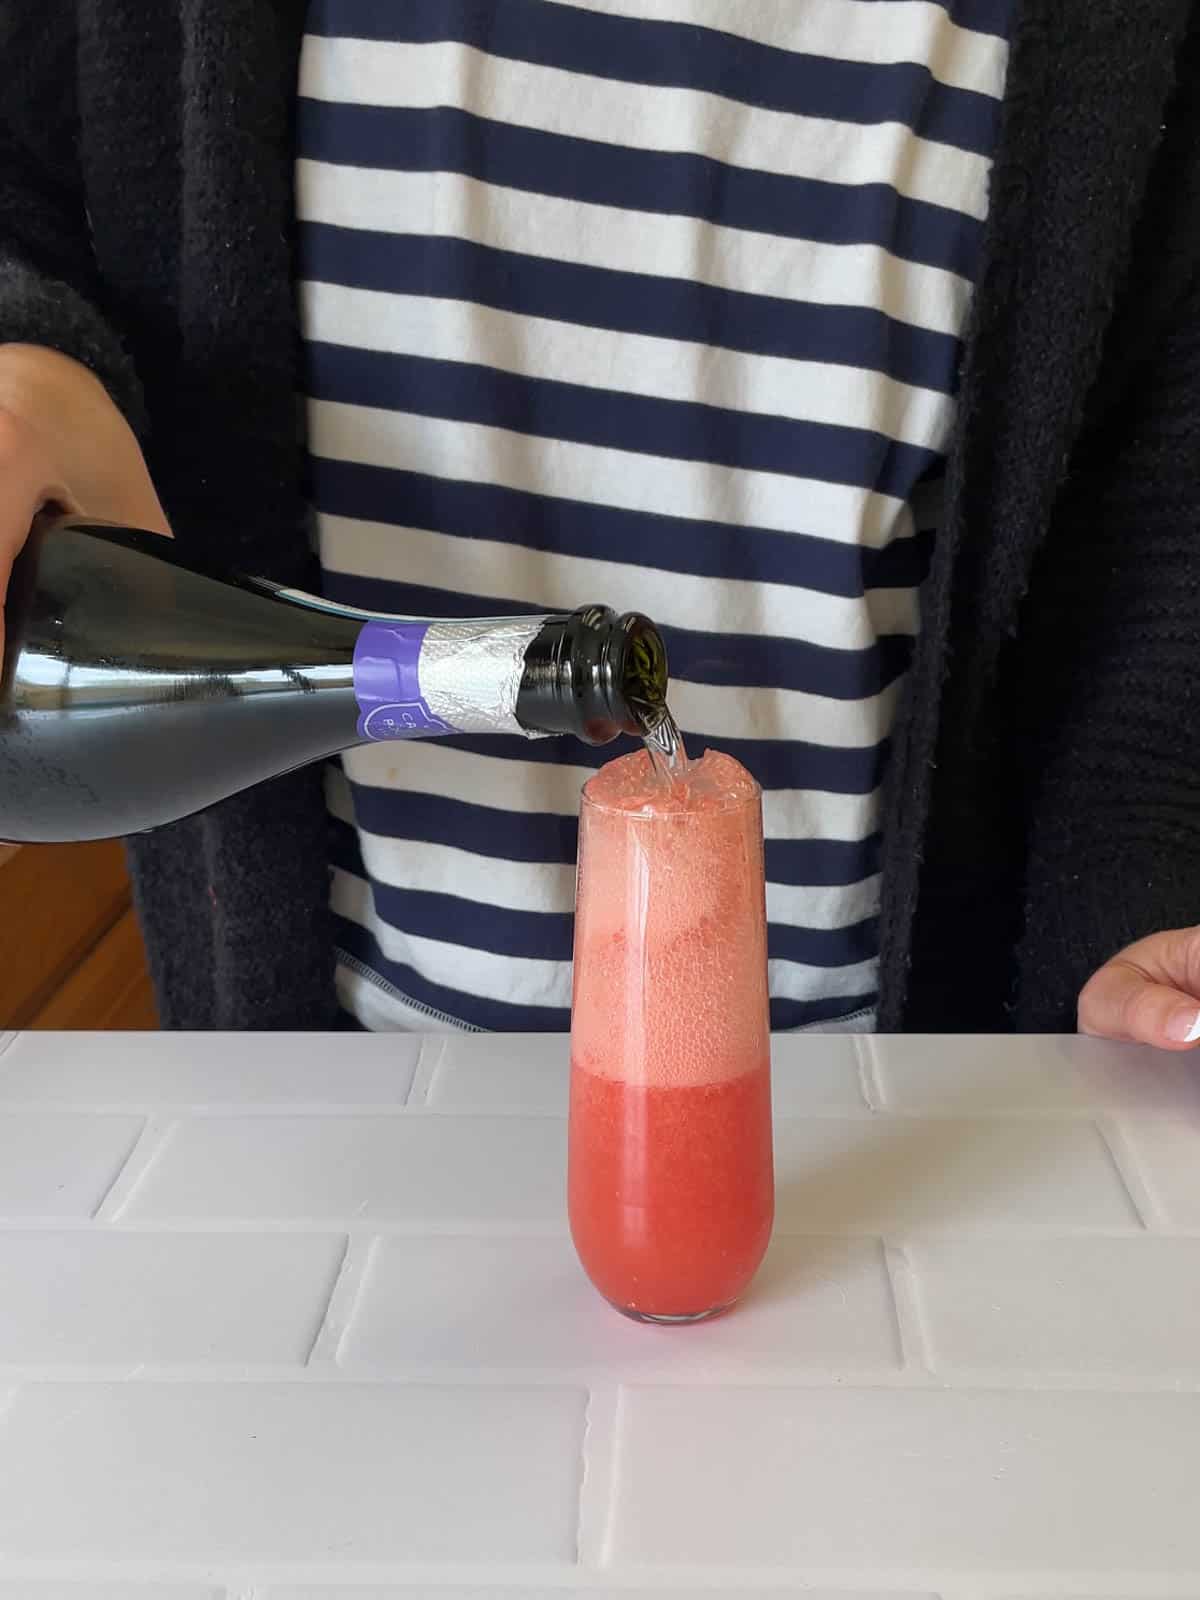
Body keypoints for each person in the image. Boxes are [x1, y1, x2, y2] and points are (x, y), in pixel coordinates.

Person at [1, 0, 1197, 1045]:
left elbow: (1155, 493)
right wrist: (28, 368)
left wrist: (1135, 895)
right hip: (337, 1081)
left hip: (886, 1096)